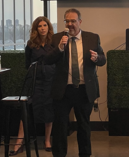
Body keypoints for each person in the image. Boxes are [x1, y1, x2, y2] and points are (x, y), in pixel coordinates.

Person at [43, 8, 106, 157]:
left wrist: (97, 58)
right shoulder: (57, 38)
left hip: (84, 89)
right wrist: (59, 48)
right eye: (67, 21)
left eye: (73, 21)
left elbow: (103, 59)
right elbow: (47, 60)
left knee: (84, 126)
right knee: (60, 126)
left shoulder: (92, 37)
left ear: (80, 22)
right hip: (63, 90)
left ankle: (85, 154)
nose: (70, 24)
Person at [9, 16, 55, 156]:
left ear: (48, 27)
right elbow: (27, 63)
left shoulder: (53, 43)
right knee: (27, 111)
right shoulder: (30, 44)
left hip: (49, 80)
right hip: (34, 81)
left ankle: (47, 141)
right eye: (39, 26)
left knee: (49, 110)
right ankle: (19, 142)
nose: (42, 28)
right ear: (36, 29)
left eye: (45, 25)